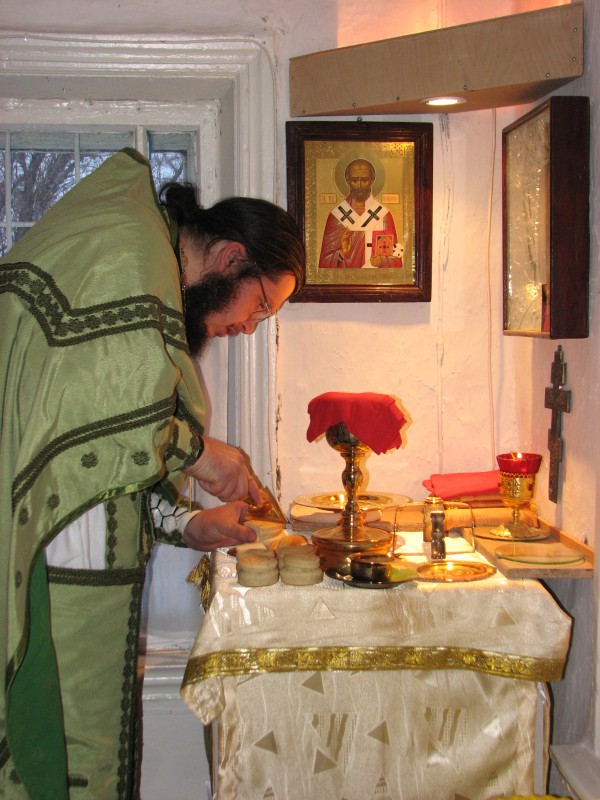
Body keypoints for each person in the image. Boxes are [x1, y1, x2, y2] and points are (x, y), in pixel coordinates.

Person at [0, 147, 304, 799]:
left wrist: (192, 525)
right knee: (57, 756)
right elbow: (98, 414)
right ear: (231, 258)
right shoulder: (130, 251)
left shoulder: (149, 275)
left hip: (86, 569)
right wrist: (204, 455)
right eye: (261, 306)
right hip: (54, 575)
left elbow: (109, 469)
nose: (250, 327)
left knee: (92, 756)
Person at [318, 158, 404, 269]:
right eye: (354, 180)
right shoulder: (337, 216)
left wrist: (382, 261)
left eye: (364, 180)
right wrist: (343, 253)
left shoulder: (383, 216)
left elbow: (396, 260)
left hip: (375, 278)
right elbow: (324, 264)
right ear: (348, 181)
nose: (359, 185)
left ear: (372, 180)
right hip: (346, 279)